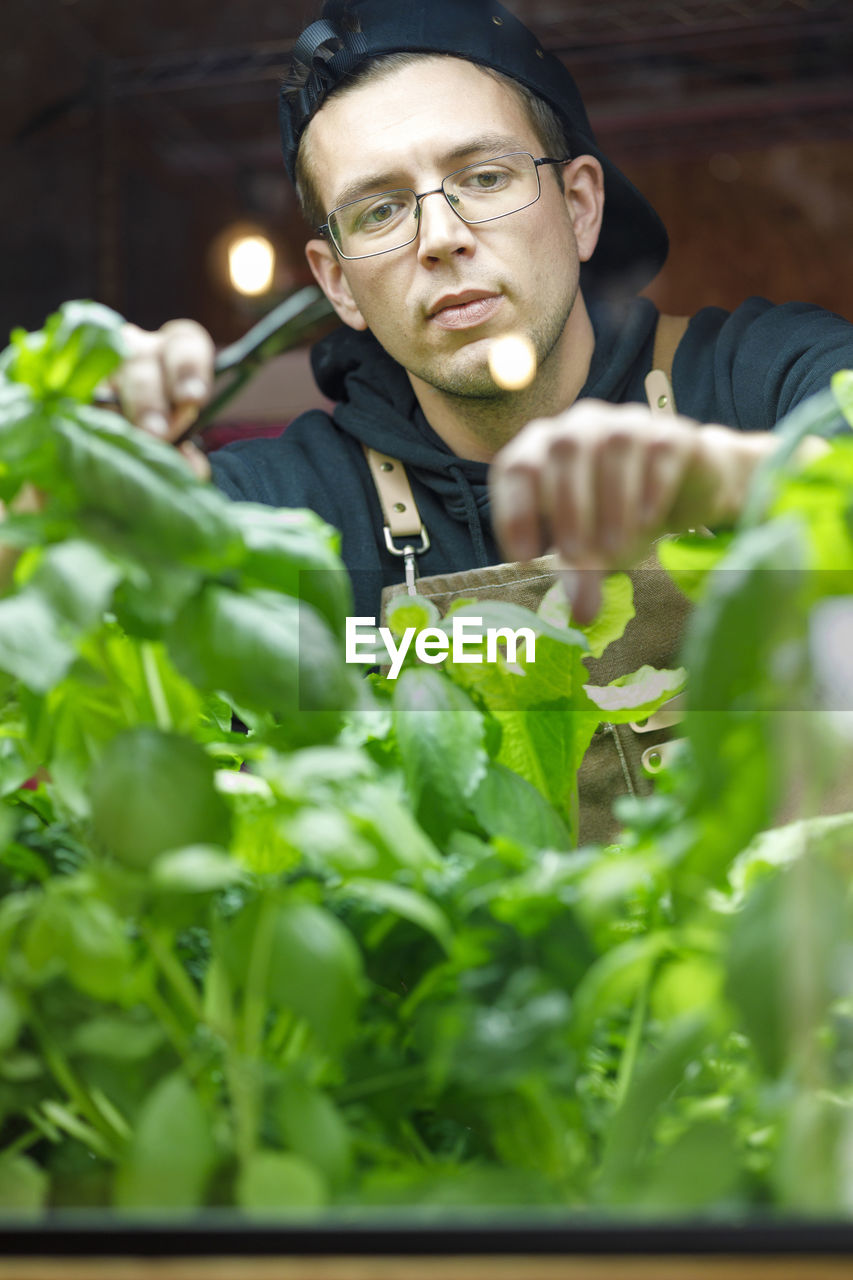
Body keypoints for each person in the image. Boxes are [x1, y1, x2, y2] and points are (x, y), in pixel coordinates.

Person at [76, 0, 853, 836]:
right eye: (379, 209)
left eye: (484, 177)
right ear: (338, 284)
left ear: (579, 204)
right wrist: (116, 488)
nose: (439, 236)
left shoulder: (765, 382)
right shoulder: (284, 518)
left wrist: (744, 480)